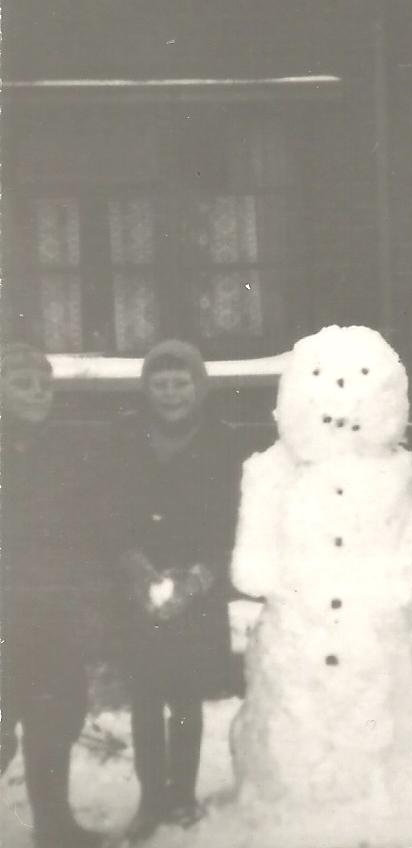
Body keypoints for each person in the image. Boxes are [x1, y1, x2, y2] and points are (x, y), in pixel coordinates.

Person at [105, 340, 239, 841]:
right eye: (159, 385)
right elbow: (108, 510)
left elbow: (229, 516)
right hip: (135, 582)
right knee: (144, 695)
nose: (170, 394)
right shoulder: (123, 437)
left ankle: (181, 794)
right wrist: (134, 567)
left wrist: (199, 578)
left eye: (180, 383)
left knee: (185, 697)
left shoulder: (222, 441)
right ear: (146, 389)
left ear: (198, 387)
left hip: (195, 585)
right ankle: (150, 798)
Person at [0, 343, 103, 848]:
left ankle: (55, 828)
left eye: (44, 385)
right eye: (23, 383)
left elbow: (87, 529)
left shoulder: (65, 450)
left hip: (54, 612)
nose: (37, 394)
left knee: (56, 718)